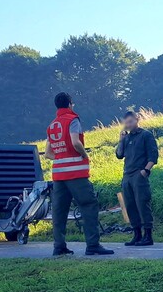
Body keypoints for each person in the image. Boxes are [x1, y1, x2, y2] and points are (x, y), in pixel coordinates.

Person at [45, 92, 114, 256]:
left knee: (59, 211)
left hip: (58, 176)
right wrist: (84, 155)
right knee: (88, 205)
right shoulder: (72, 120)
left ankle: (59, 246)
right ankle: (92, 245)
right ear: (70, 103)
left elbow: (48, 153)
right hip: (76, 173)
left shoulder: (52, 125)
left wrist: (61, 157)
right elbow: (75, 142)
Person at [115, 110, 158, 246]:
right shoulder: (126, 138)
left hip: (139, 174)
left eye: (131, 121)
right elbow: (119, 155)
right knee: (130, 205)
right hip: (127, 175)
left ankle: (148, 235)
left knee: (142, 203)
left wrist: (145, 171)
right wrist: (121, 140)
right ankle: (137, 234)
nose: (129, 124)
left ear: (137, 119)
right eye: (126, 122)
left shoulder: (146, 135)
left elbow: (153, 156)